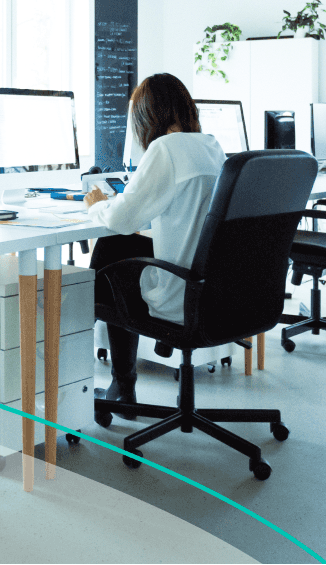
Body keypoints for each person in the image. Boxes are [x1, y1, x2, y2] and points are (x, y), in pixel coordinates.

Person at [83, 73, 226, 415]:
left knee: (110, 252)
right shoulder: (210, 146)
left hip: (181, 294)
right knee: (122, 249)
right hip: (217, 292)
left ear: (147, 117)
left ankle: (114, 382)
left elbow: (121, 219)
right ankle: (121, 383)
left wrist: (97, 205)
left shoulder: (166, 148)